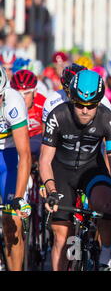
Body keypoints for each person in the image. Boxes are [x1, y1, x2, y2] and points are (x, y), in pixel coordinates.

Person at [39, 70, 111, 271]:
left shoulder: (107, 118)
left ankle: (105, 256)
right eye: (79, 104)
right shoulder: (57, 115)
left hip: (92, 168)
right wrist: (50, 190)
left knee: (106, 203)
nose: (85, 110)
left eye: (91, 105)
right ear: (71, 98)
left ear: (99, 102)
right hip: (62, 171)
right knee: (61, 236)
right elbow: (45, 160)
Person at [0, 66, 32, 271]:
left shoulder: (13, 102)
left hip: (9, 158)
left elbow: (25, 155)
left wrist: (18, 199)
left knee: (12, 223)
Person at [42, 64, 111, 125]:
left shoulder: (101, 99)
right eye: (68, 91)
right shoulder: (52, 101)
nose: (71, 96)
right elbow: (46, 136)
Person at [10, 70, 46, 160]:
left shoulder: (43, 103)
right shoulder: (7, 104)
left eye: (26, 93)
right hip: (14, 139)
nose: (22, 97)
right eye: (18, 93)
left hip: (36, 138)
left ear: (35, 92)